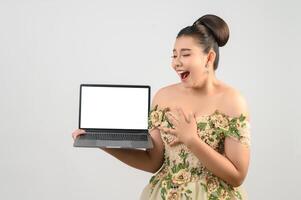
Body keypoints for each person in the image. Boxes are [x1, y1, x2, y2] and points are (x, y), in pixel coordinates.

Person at [72, 14, 251, 200]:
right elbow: (152, 162)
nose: (176, 63)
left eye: (186, 54)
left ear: (209, 58)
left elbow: (237, 176)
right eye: (174, 55)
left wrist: (192, 140)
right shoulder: (163, 97)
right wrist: (99, 142)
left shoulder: (232, 100)